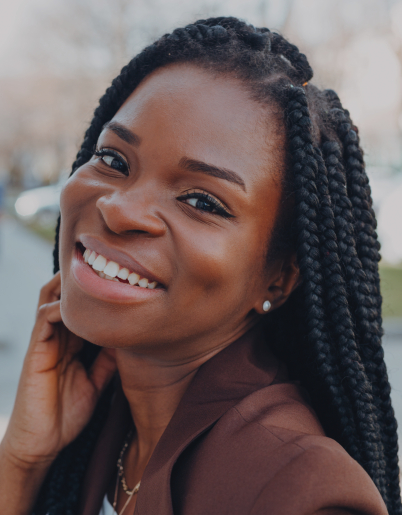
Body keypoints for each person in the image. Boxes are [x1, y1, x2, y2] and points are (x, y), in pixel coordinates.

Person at [0, 16, 398, 515]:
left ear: (280, 276)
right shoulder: (109, 419)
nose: (119, 208)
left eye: (202, 202)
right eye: (114, 159)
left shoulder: (300, 492)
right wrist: (22, 460)